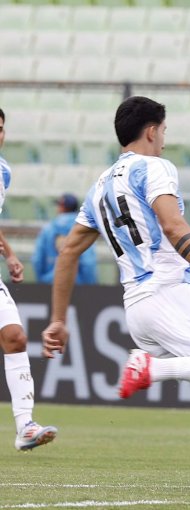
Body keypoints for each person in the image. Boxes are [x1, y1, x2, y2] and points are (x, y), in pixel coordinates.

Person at [40, 97, 190, 494]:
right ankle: (151, 369)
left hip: (137, 306)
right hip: (169, 296)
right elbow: (172, 224)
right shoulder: (154, 167)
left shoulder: (99, 186)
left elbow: (68, 251)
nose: (164, 139)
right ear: (151, 130)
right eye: (164, 130)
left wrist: (58, 321)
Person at [0, 107, 59, 452]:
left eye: (1, 128)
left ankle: (25, 426)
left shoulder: (3, 172)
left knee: (15, 336)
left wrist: (9, 254)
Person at [32, 193, 98, 286]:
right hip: (78, 286)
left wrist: (42, 281)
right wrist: (89, 286)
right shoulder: (83, 228)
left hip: (50, 283)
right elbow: (88, 262)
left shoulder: (48, 228)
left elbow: (37, 260)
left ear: (62, 207)